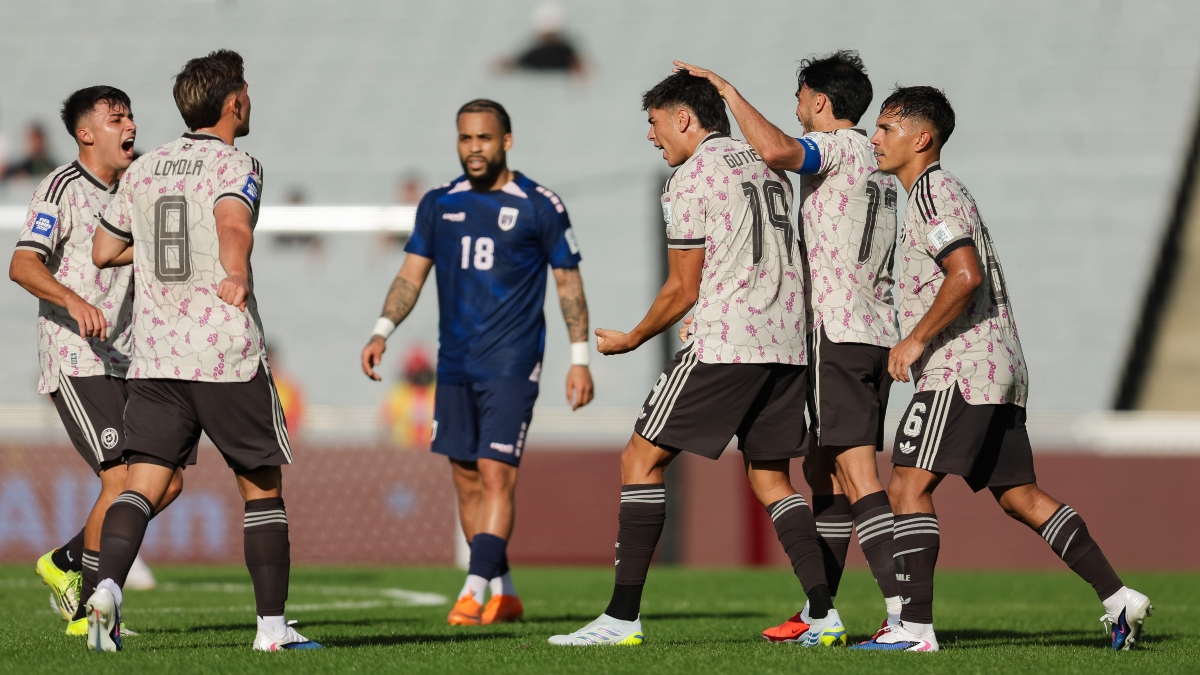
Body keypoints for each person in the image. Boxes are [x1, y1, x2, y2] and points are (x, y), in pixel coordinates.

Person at [853, 86, 1152, 652]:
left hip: (962, 367)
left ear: (922, 138)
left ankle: (914, 629)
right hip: (999, 364)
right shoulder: (943, 191)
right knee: (1020, 496)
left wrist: (915, 339)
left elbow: (965, 275)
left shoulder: (931, 193)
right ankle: (1119, 599)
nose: (875, 139)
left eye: (887, 128)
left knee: (906, 485)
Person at [550, 71, 844, 648]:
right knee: (770, 478)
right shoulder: (764, 163)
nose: (651, 136)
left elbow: (682, 289)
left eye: (654, 122)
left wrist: (633, 338)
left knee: (639, 459)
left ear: (683, 118)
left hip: (727, 342)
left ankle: (620, 619)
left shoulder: (690, 178)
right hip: (786, 345)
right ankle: (823, 614)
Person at [88, 49, 320, 653]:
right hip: (223, 352)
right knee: (261, 489)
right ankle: (272, 629)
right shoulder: (236, 162)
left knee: (141, 485)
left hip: (156, 355)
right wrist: (234, 270)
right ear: (234, 102)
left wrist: (160, 252)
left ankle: (107, 589)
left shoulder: (145, 168)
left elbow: (103, 251)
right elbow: (232, 224)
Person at [676, 52, 904, 639]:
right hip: (875, 331)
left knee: (856, 472)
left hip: (837, 332)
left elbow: (779, 152)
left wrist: (727, 91)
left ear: (821, 102)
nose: (796, 106)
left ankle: (907, 617)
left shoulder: (841, 146)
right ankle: (819, 611)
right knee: (822, 469)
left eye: (801, 96)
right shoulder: (878, 159)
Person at [361, 99, 595, 627]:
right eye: (465, 138)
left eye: (484, 138)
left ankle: (471, 591)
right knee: (466, 479)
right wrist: (382, 331)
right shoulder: (438, 203)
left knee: (495, 473)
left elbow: (568, 283)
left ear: (506, 141)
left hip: (513, 361)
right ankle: (504, 592)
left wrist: (579, 358)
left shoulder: (540, 204)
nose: (473, 148)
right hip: (455, 363)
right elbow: (410, 275)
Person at [9, 86, 183, 637]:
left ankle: (64, 561)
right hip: (75, 354)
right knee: (122, 478)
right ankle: (89, 616)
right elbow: (22, 264)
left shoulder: (137, 188)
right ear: (86, 134)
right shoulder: (60, 188)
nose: (130, 125)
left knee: (166, 482)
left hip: (128, 356)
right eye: (116, 118)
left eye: (131, 116)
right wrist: (75, 301)